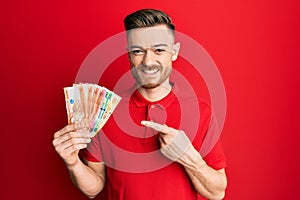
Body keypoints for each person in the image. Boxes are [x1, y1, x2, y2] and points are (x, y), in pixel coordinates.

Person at [53, 9, 227, 200]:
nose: (148, 61)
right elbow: (94, 188)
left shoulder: (201, 111)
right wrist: (72, 163)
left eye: (159, 50)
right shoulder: (106, 111)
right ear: (128, 54)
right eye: (138, 51)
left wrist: (188, 157)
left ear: (174, 52)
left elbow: (217, 193)